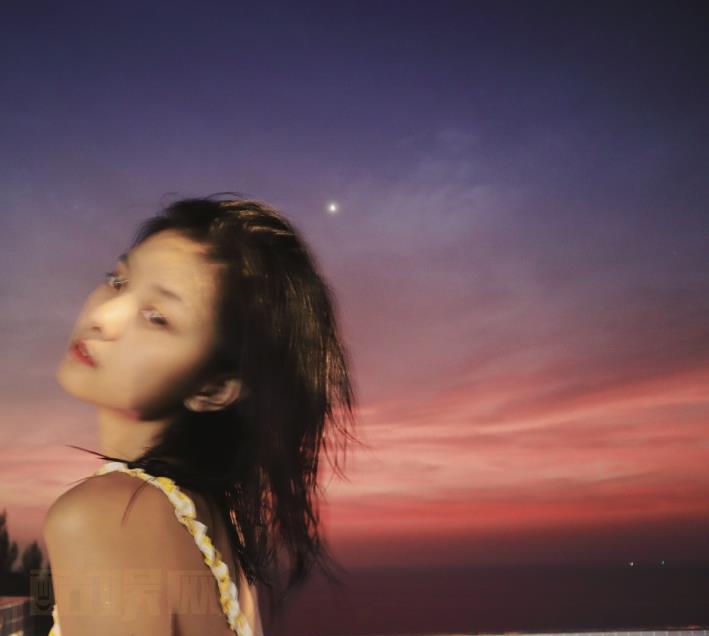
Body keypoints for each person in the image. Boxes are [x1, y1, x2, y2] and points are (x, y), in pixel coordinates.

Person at [43, 193, 360, 635]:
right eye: (118, 281)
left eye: (157, 317)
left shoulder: (107, 517)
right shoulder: (213, 523)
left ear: (214, 388)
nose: (103, 316)